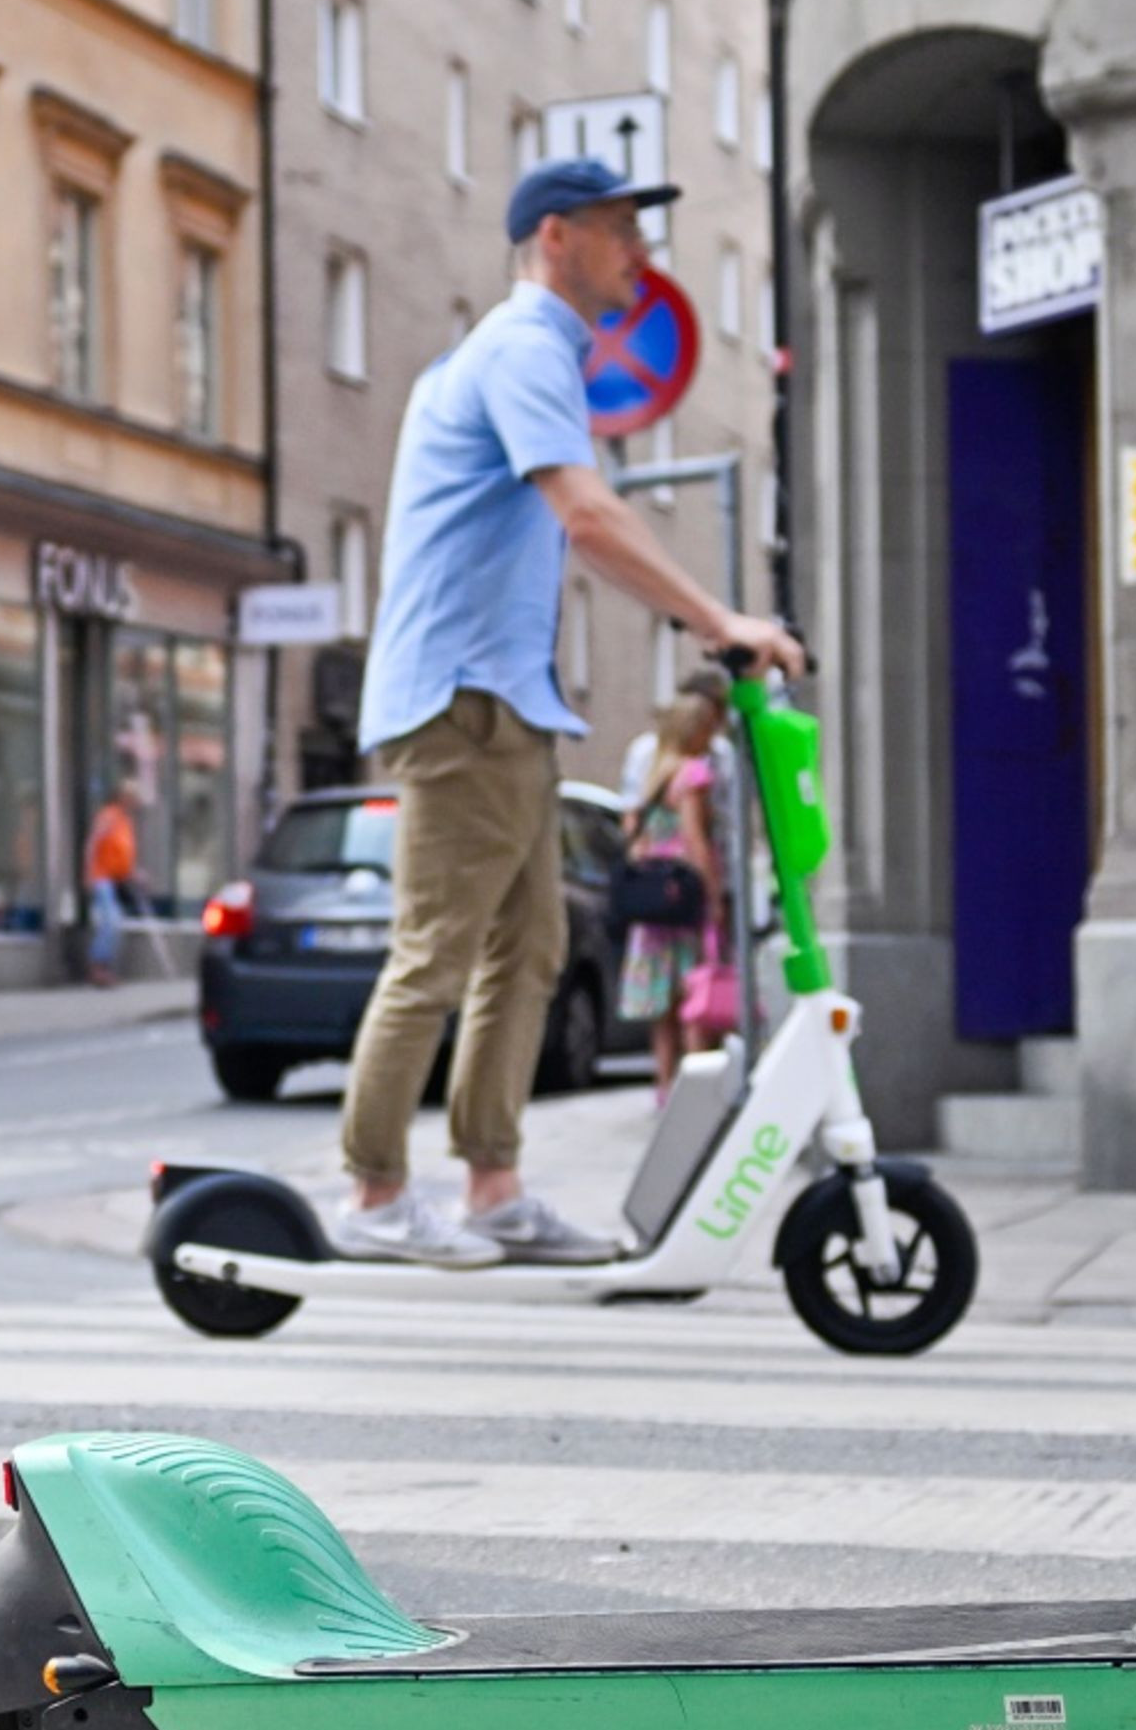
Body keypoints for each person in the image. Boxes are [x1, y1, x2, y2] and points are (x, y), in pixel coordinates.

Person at [328, 157, 807, 1268]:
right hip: (462, 699)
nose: (640, 250)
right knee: (436, 953)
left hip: (497, 699)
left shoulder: (522, 352)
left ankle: (494, 1187)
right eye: (620, 227)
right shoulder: (524, 347)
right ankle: (374, 1194)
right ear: (556, 236)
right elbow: (586, 514)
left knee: (530, 947)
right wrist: (717, 620)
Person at [617, 672, 732, 1100]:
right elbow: (696, 840)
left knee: (660, 1007)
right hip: (685, 900)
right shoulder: (693, 775)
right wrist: (714, 895)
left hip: (653, 905)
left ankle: (664, 1088)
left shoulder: (654, 772)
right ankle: (697, 1094)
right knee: (696, 997)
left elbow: (631, 831)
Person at [81, 779, 141, 987]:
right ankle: (98, 967)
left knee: (114, 922)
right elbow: (93, 842)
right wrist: (88, 871)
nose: (134, 802)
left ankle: (104, 967)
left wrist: (133, 872)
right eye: (131, 797)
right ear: (122, 797)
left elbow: (123, 852)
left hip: (116, 879)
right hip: (101, 876)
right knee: (110, 922)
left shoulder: (125, 821)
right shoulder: (109, 816)